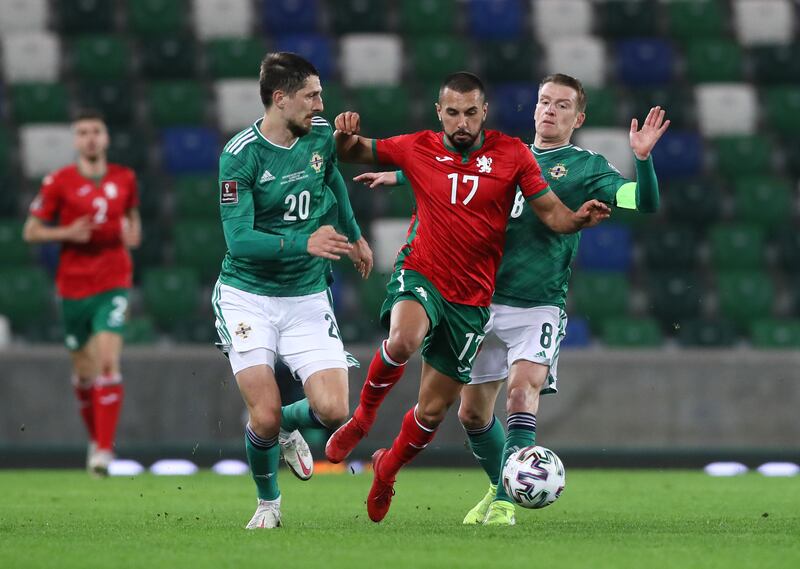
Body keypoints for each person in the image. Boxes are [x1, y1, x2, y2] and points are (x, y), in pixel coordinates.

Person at [356, 73, 670, 526]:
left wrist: (642, 160)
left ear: (578, 117)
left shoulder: (586, 167)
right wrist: (400, 172)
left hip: (537, 305)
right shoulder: (504, 155)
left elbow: (644, 202)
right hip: (480, 299)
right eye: (544, 101)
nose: (550, 110)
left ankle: (506, 500)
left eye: (563, 105)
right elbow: (454, 180)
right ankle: (498, 486)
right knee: (469, 413)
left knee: (522, 392)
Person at [212, 52, 373, 529]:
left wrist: (356, 235)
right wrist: (305, 240)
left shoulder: (319, 135)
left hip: (305, 295)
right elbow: (238, 239)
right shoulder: (240, 155)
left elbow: (333, 182)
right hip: (248, 296)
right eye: (311, 96)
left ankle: (286, 425)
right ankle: (268, 503)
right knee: (260, 417)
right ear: (280, 99)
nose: (320, 104)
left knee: (333, 409)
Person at [23, 109, 141, 477]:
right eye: (83, 133)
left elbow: (132, 218)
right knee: (84, 373)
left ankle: (104, 451)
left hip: (113, 278)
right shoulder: (58, 182)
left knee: (107, 362)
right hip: (74, 284)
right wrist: (66, 233)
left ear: (106, 138)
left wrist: (132, 233)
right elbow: (31, 231)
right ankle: (96, 439)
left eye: (96, 132)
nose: (90, 138)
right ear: (75, 140)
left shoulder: (125, 177)